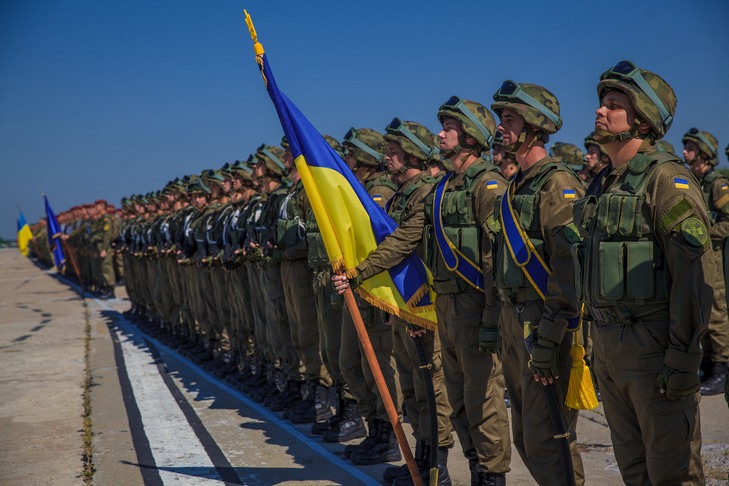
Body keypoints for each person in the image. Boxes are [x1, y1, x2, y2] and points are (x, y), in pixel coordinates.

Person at [578, 60, 712, 484]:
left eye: (614, 105)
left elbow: (696, 281)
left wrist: (684, 358)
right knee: (634, 471)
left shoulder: (667, 181)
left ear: (644, 122)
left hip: (654, 353)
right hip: (612, 351)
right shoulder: (604, 185)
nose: (601, 111)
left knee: (671, 473)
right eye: (602, 103)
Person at [333, 118, 454, 485]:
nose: (388, 156)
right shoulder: (404, 193)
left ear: (413, 154)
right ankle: (420, 461)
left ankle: (439, 469)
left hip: (424, 306)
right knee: (414, 388)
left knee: (432, 390)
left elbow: (402, 243)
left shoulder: (425, 192)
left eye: (395, 150)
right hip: (403, 307)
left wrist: (359, 272)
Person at [490, 81, 586, 485]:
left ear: (534, 125)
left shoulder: (556, 184)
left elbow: (569, 270)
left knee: (550, 438)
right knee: (526, 437)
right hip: (515, 321)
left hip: (544, 323)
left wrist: (549, 337)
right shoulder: (516, 187)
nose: (500, 127)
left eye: (509, 118)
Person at [425, 96, 511, 485]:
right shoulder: (445, 186)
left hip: (478, 307)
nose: (440, 134)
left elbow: (497, 260)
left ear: (471, 137)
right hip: (448, 307)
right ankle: (477, 466)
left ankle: (492, 476)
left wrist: (493, 318)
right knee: (459, 400)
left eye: (449, 128)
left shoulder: (488, 185)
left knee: (484, 400)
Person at [682, 127, 729, 395]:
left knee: (717, 313)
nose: (685, 152)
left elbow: (727, 223)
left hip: (714, 256)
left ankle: (723, 367)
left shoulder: (716, 184)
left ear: (704, 153)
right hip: (700, 257)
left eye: (690, 148)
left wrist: (701, 232)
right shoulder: (697, 182)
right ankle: (711, 365)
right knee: (705, 312)